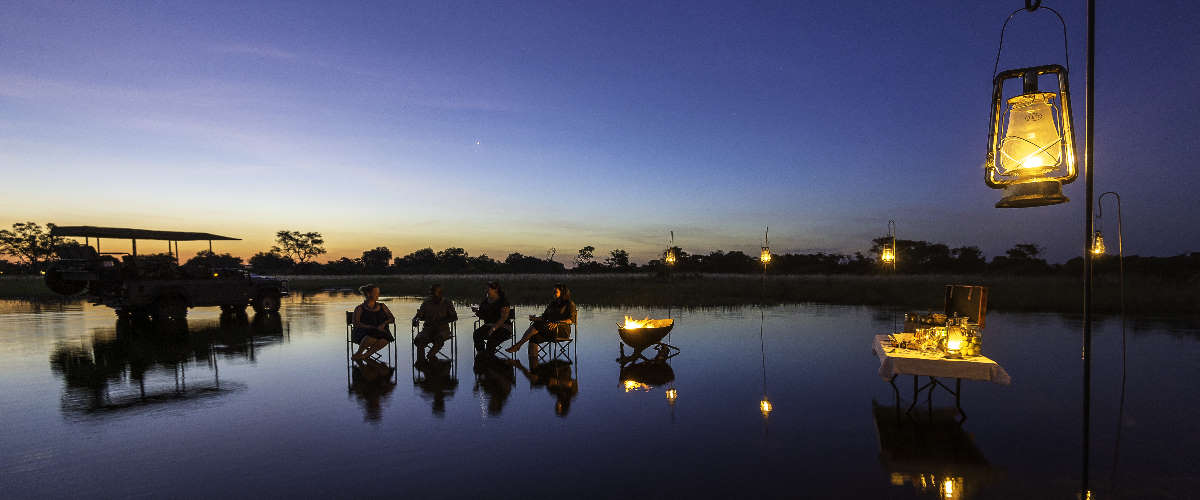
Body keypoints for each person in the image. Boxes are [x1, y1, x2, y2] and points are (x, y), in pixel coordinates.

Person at [506, 283, 576, 355]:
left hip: (562, 330)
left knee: (538, 325)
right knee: (534, 337)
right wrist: (535, 318)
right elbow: (544, 317)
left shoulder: (569, 304)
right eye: (553, 292)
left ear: (563, 293)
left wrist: (558, 322)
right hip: (549, 328)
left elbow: (571, 320)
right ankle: (533, 362)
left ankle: (518, 345)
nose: (553, 294)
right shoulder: (552, 304)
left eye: (556, 292)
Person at [412, 284, 458, 361]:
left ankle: (431, 357)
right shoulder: (426, 302)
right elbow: (418, 315)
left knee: (438, 339)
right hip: (428, 329)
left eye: (434, 293)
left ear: (440, 293)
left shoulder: (447, 302)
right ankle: (421, 361)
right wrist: (415, 320)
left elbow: (454, 317)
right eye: (431, 293)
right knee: (419, 340)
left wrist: (441, 321)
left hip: (443, 329)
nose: (432, 295)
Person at [351, 284, 395, 361]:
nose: (378, 295)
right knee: (370, 337)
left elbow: (392, 319)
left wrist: (384, 324)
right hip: (363, 332)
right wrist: (372, 327)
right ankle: (359, 353)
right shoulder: (359, 308)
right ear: (368, 294)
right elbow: (356, 323)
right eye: (376, 293)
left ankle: (365, 356)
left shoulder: (382, 306)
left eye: (378, 293)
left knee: (384, 340)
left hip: (380, 332)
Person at [472, 281, 513, 355]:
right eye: (486, 288)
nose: (486, 289)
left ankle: (490, 361)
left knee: (491, 341)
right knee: (476, 334)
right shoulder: (485, 302)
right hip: (488, 325)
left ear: (495, 290)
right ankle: (481, 355)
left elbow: (503, 318)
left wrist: (493, 328)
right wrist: (476, 312)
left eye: (488, 288)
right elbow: (483, 316)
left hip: (503, 327)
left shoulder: (503, 301)